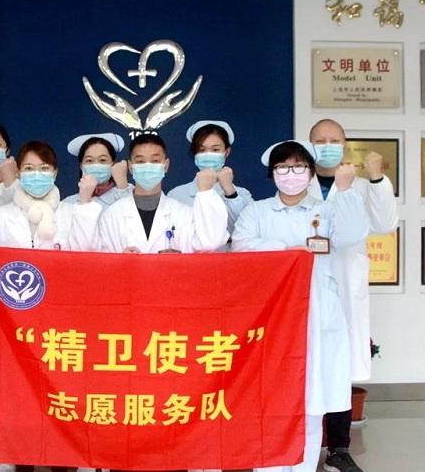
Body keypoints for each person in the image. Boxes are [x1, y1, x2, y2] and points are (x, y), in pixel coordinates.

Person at [232, 140, 368, 472]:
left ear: (310, 171)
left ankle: (305, 466)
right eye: (283, 167)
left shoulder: (327, 210)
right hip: (272, 316)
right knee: (271, 398)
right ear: (272, 173)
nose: (290, 174)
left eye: (298, 167)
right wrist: (288, 251)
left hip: (318, 314)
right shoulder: (257, 212)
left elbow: (352, 235)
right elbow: (241, 246)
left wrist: (345, 191)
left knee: (312, 401)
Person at [308, 119, 398, 472]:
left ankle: (339, 448)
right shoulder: (299, 183)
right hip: (308, 283)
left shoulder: (361, 186)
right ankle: (304, 444)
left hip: (345, 283)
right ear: (309, 144)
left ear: (344, 145)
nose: (327, 145)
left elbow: (385, 224)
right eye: (320, 140)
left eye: (334, 140)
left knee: (340, 368)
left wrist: (376, 179)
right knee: (307, 362)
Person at [98, 133, 229, 254]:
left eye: (155, 161)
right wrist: (121, 261)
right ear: (130, 167)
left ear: (166, 165)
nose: (148, 166)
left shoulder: (184, 214)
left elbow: (211, 242)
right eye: (140, 161)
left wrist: (206, 193)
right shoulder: (112, 215)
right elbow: (102, 262)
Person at [0, 140, 101, 250]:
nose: (36, 174)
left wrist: (85, 203)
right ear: (18, 173)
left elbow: (87, 253)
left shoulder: (71, 214)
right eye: (29, 168)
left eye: (44, 168)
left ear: (55, 173)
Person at [168, 120, 253, 241]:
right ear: (195, 153)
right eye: (202, 150)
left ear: (227, 152)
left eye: (215, 150)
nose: (208, 155)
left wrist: (230, 192)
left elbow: (245, 232)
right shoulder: (176, 194)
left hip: (230, 253)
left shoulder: (242, 194)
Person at [62, 132, 133, 208]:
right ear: (81, 166)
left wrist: (122, 187)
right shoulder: (68, 203)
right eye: (89, 160)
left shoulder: (128, 194)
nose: (96, 165)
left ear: (113, 164)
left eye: (102, 160)